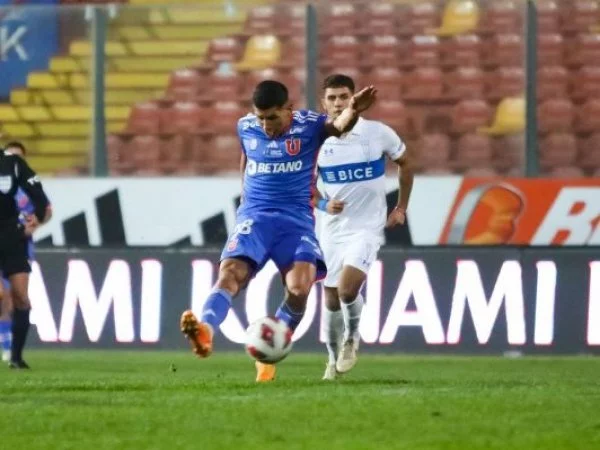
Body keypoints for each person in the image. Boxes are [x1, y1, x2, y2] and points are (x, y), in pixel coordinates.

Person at [180, 80, 377, 382]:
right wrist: (246, 197)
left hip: (295, 221)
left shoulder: (310, 126)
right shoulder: (245, 127)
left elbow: (338, 127)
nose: (266, 125)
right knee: (230, 273)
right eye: (260, 117)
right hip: (255, 218)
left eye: (272, 117)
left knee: (300, 289)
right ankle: (205, 331)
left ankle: (267, 357)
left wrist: (352, 109)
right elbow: (246, 159)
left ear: (289, 109)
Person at [314, 74, 414, 380]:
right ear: (323, 103)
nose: (338, 103)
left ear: (354, 98)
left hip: (367, 228)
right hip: (331, 230)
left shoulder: (377, 133)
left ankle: (352, 338)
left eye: (343, 96)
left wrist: (401, 207)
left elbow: (406, 163)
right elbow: (305, 187)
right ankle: (332, 361)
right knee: (331, 299)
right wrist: (323, 204)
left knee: (347, 290)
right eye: (332, 98)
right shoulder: (317, 139)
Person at [0, 142, 51, 369]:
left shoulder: (12, 163)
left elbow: (38, 192)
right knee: (1, 295)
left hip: (12, 235)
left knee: (21, 298)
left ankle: (16, 357)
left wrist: (37, 217)